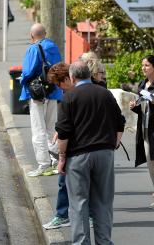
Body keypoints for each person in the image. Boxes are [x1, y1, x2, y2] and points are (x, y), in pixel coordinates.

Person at [56, 61, 125, 245]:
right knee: (103, 202)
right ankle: (104, 241)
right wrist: (114, 144)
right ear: (89, 75)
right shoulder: (105, 94)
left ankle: (81, 242)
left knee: (79, 204)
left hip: (78, 156)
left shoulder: (69, 97)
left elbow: (63, 132)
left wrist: (61, 157)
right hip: (104, 153)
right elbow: (120, 122)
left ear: (72, 77)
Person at [20, 23, 62, 176]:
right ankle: (55, 160)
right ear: (45, 33)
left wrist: (22, 80)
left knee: (38, 130)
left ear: (32, 36)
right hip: (54, 92)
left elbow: (28, 72)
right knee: (52, 128)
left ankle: (43, 164)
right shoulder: (54, 46)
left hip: (38, 94)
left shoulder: (33, 49)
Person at [42, 62, 72, 231]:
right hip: (72, 143)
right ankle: (62, 215)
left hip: (76, 147)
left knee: (68, 180)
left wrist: (61, 156)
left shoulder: (72, 95)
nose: (58, 88)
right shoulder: (67, 94)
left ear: (67, 79)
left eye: (58, 83)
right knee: (64, 182)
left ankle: (63, 216)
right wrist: (58, 131)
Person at [129, 54, 154, 205]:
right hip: (145, 130)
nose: (143, 68)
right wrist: (135, 107)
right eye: (142, 65)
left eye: (146, 65)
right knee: (150, 162)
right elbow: (143, 109)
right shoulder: (142, 84)